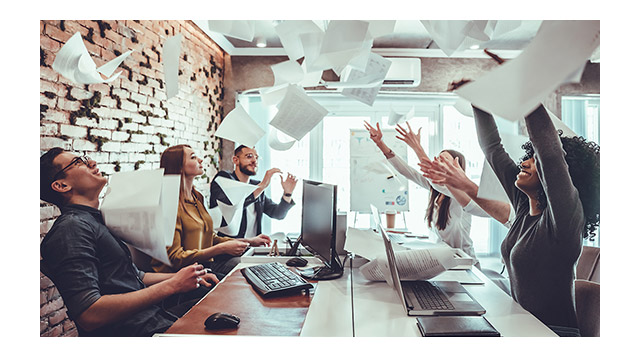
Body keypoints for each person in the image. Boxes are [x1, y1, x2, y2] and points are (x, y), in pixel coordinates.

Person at [424, 103, 600, 336]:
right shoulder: (523, 207)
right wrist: (478, 103)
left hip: (552, 334)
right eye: (528, 157)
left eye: (534, 160)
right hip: (522, 326)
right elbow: (493, 149)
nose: (525, 162)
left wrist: (524, 93)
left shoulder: (565, 219)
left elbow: (550, 154)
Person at [40, 148, 218, 336]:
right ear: (61, 185)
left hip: (153, 319)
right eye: (78, 162)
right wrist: (172, 285)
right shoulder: (70, 230)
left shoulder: (95, 219)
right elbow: (89, 314)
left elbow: (135, 276)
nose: (91, 162)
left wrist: (182, 277)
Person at [364, 121, 513, 269]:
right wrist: (380, 144)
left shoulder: (459, 195)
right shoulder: (435, 190)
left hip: (465, 264)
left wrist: (417, 148)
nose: (437, 163)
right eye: (438, 159)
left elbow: (437, 179)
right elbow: (406, 171)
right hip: (444, 262)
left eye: (443, 161)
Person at [151, 145, 271, 277]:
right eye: (193, 157)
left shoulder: (197, 197)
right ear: (179, 166)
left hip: (201, 271)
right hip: (178, 279)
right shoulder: (168, 202)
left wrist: (249, 241)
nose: (200, 160)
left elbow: (209, 237)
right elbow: (174, 257)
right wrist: (221, 249)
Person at [209, 145, 297, 239]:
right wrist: (262, 186)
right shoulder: (223, 179)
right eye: (249, 156)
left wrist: (287, 193)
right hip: (229, 248)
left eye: (256, 157)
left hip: (253, 248)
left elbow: (278, 214)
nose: (255, 161)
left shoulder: (256, 186)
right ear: (235, 160)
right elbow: (232, 207)